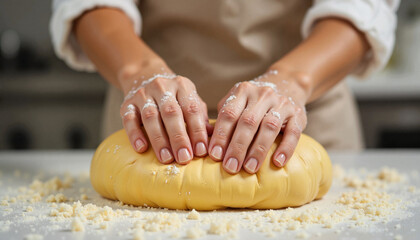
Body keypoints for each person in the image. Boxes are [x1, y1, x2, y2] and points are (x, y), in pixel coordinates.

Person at [50, 0, 399, 174]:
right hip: (149, 120)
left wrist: (293, 81)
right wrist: (140, 70)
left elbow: (363, 7)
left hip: (303, 123)